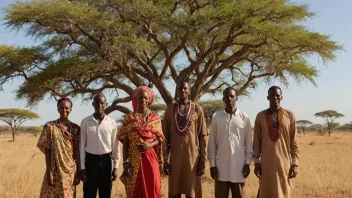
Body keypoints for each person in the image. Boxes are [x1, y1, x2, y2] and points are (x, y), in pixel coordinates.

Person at [163, 80, 207, 198]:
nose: (182, 90)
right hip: (175, 159)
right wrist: (165, 161)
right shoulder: (169, 111)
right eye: (180, 89)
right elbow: (165, 138)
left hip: (192, 159)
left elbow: (202, 136)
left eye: (185, 88)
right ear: (176, 91)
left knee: (191, 192)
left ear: (189, 91)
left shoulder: (197, 109)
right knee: (174, 192)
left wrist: (203, 160)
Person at [253, 86, 300, 198]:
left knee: (283, 192)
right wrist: (256, 162)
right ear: (267, 97)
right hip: (266, 163)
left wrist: (295, 163)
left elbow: (294, 141)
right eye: (272, 95)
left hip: (284, 163)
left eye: (277, 95)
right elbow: (256, 141)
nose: (275, 97)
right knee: (266, 192)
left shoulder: (290, 115)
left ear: (281, 97)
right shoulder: (260, 116)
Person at [118, 86, 164, 198]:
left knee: (152, 187)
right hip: (133, 161)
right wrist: (125, 162)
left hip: (150, 160)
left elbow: (159, 139)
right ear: (135, 100)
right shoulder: (129, 118)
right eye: (140, 98)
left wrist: (149, 145)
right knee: (135, 191)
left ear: (149, 100)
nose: (142, 100)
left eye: (145, 98)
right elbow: (126, 142)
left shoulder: (155, 118)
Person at [208, 87, 253, 198]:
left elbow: (248, 142)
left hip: (239, 168)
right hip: (221, 168)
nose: (229, 99)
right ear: (223, 99)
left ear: (236, 98)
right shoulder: (216, 118)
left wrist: (247, 163)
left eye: (232, 96)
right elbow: (212, 143)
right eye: (227, 97)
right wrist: (212, 165)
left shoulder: (244, 118)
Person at [37, 97, 80, 198]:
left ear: (71, 109)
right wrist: (49, 171)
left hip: (70, 172)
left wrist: (78, 171)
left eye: (67, 108)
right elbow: (47, 150)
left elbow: (77, 151)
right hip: (54, 170)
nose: (64, 110)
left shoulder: (76, 129)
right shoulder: (50, 127)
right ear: (58, 110)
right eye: (61, 108)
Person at [79, 93, 120, 198]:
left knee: (105, 194)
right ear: (93, 104)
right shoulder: (85, 122)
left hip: (106, 162)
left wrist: (115, 167)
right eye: (97, 103)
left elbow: (115, 146)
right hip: (90, 162)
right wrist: (82, 167)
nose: (99, 105)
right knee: (89, 193)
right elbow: (82, 146)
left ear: (106, 104)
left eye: (102, 103)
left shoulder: (111, 123)